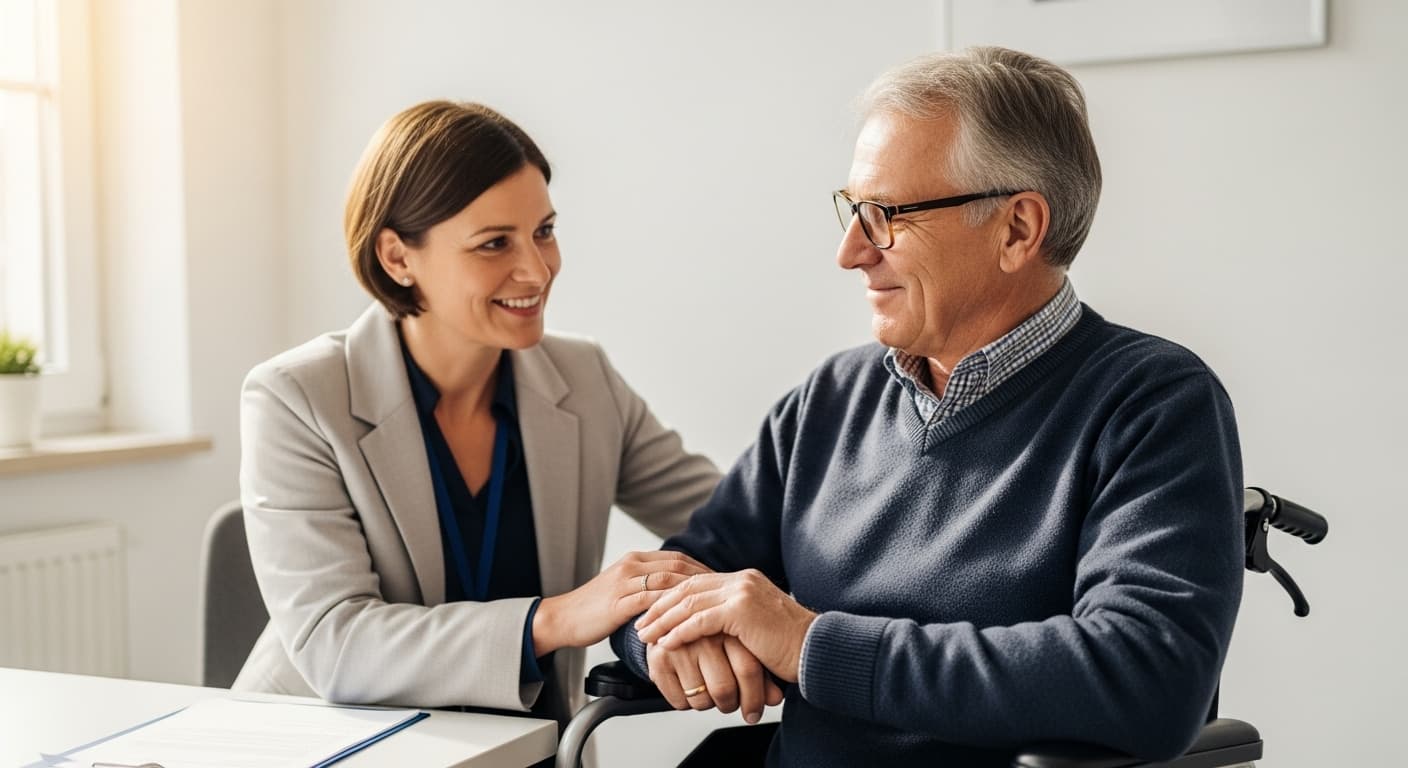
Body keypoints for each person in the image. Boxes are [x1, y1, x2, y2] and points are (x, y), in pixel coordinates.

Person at [616, 47, 1244, 766]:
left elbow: (1145, 678)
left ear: (1017, 229)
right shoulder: (829, 400)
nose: (851, 252)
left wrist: (808, 643)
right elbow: (669, 580)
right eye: (853, 210)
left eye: (885, 215)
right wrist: (666, 641)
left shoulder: (1152, 403)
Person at [233, 101, 737, 731]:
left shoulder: (584, 380)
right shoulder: (296, 398)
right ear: (397, 257)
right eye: (494, 243)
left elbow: (736, 526)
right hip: (337, 743)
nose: (537, 269)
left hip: (526, 748)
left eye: (544, 231)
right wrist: (558, 617)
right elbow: (339, 645)